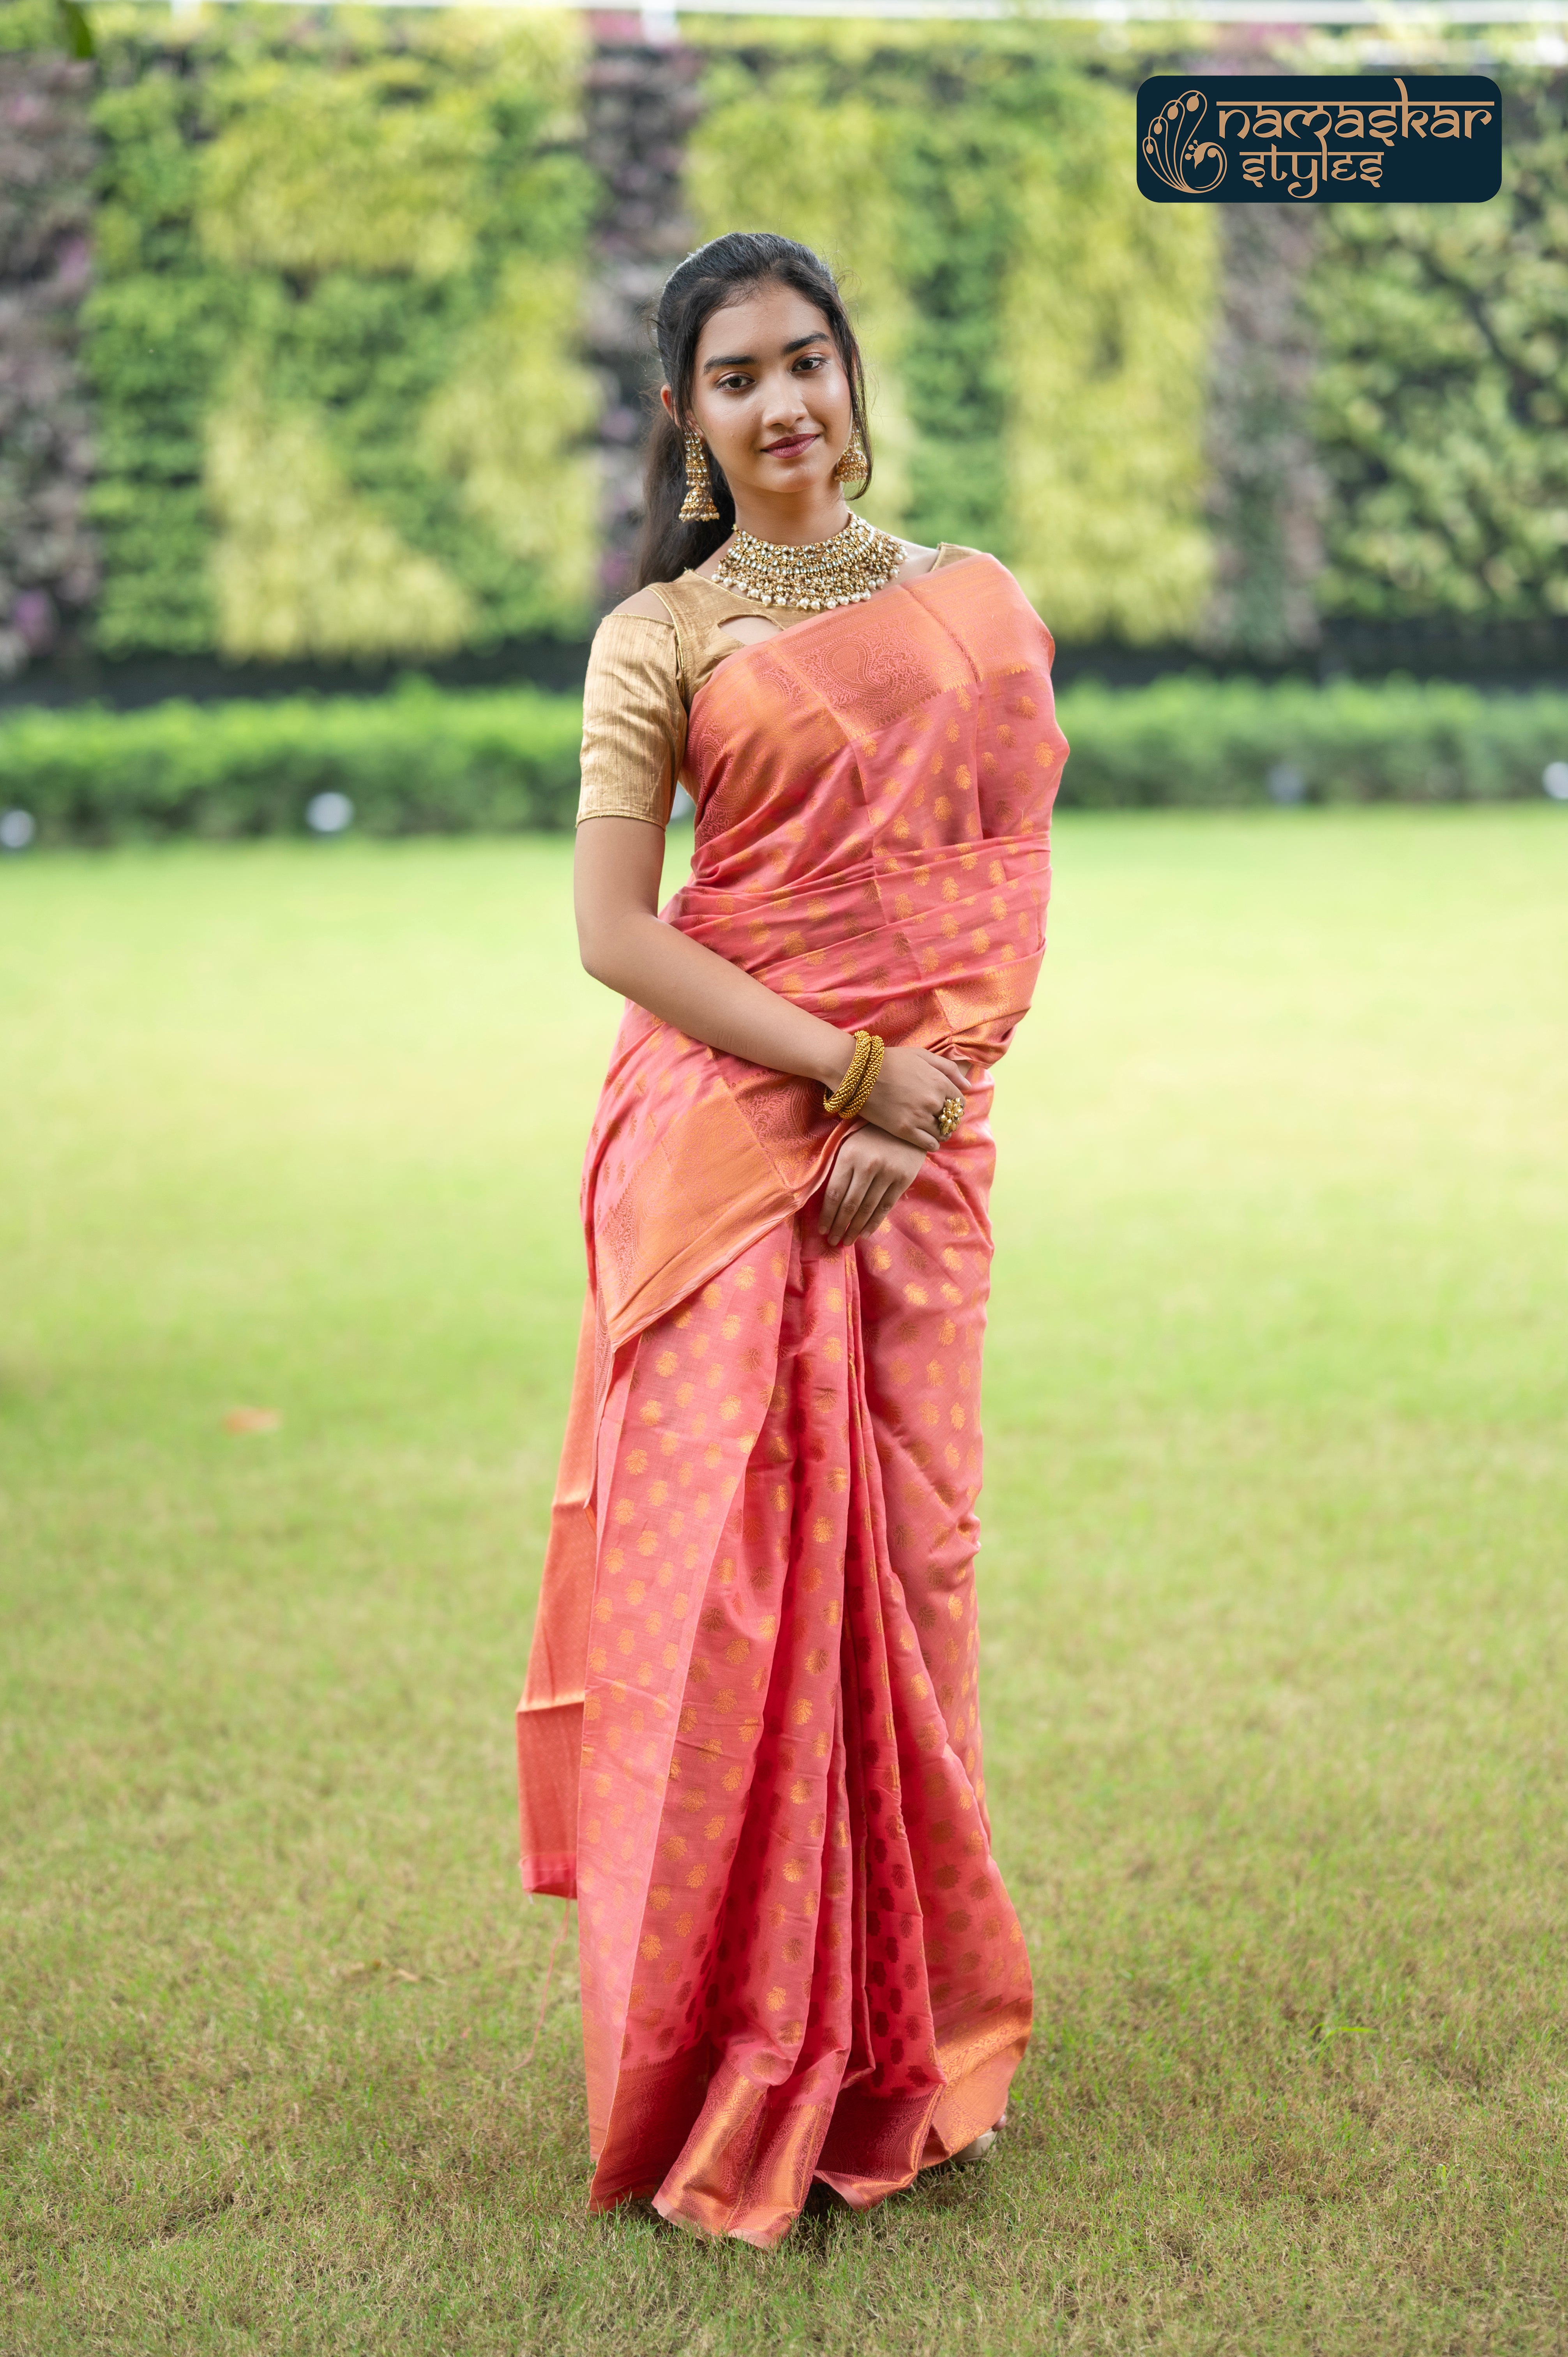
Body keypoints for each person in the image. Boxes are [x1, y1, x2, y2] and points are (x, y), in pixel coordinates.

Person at [516, 231, 1066, 2248]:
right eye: (734, 374)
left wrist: (917, 1099)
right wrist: (844, 1073)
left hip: (915, 1153)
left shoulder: (970, 609)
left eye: (807, 361)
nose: (781, 405)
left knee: (900, 1576)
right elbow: (613, 933)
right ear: (685, 414)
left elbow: (995, 884)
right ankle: (717, 2059)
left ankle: (883, 2036)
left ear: (850, 376)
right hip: (720, 1157)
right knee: (715, 1620)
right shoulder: (657, 639)